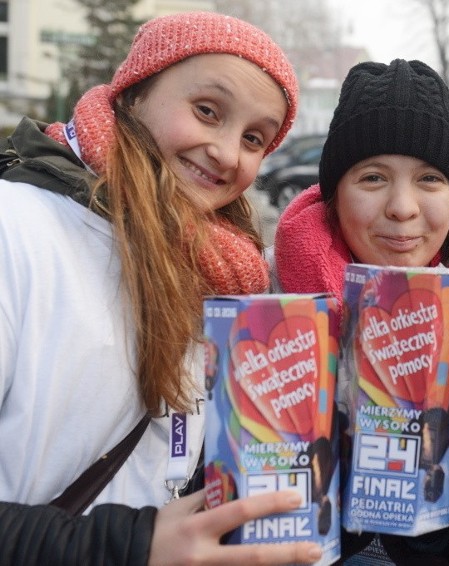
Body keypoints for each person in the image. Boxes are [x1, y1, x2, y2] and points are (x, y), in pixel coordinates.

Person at [0, 12, 323, 565]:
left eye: (253, 138)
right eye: (206, 111)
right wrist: (131, 545)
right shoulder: (16, 229)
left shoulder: (211, 270)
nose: (226, 152)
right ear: (135, 93)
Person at [272, 59, 449, 564]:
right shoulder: (266, 308)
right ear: (334, 195)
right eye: (374, 177)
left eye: (429, 179)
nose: (403, 207)